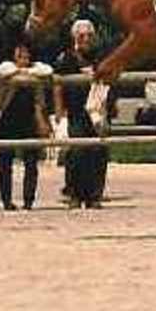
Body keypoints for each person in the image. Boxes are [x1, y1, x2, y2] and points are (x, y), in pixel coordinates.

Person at [0, 37, 53, 210]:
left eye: (26, 56)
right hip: (8, 120)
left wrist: (26, 72)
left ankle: (28, 201)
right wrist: (17, 72)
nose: (24, 60)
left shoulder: (36, 68)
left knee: (31, 163)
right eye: (20, 56)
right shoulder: (6, 67)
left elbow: (47, 70)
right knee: (5, 163)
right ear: (14, 57)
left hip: (29, 119)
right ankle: (6, 200)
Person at [54, 19, 109, 209]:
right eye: (82, 35)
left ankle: (94, 196)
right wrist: (60, 112)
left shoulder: (99, 57)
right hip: (76, 110)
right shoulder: (66, 58)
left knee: (98, 151)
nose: (86, 38)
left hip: (96, 111)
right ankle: (74, 194)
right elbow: (58, 85)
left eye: (89, 35)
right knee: (76, 153)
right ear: (75, 37)